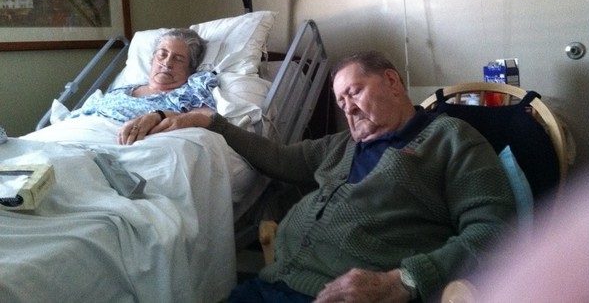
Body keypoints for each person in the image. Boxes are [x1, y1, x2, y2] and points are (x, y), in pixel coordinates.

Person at [154, 50, 517, 302]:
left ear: (392, 81)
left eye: (354, 93)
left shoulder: (450, 138)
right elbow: (277, 159)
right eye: (341, 103)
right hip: (271, 285)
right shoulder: (342, 145)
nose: (349, 110)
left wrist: (405, 280)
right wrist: (212, 122)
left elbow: (495, 230)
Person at [68, 28, 217, 145]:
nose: (167, 63)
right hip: (75, 133)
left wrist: (159, 116)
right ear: (152, 60)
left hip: (114, 143)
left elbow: (206, 118)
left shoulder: (189, 92)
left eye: (178, 59)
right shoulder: (124, 89)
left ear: (190, 68)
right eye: (162, 54)